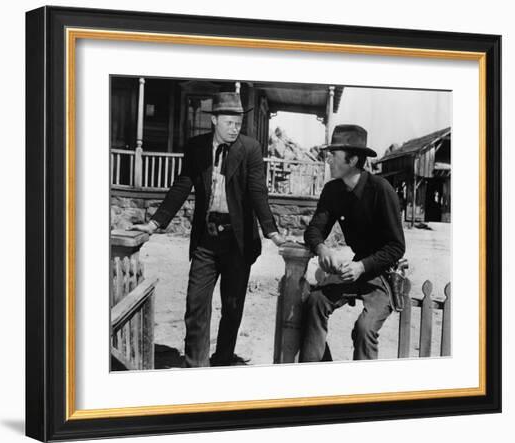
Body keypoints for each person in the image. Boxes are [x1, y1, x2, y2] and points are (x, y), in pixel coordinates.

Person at [130, 92, 285, 367]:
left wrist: (271, 231)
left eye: (238, 123)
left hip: (238, 242)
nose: (234, 128)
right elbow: (182, 186)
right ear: (214, 120)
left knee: (232, 307)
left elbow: (258, 192)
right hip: (206, 239)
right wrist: (155, 223)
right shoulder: (196, 147)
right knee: (196, 305)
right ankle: (196, 366)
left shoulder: (250, 149)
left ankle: (222, 362)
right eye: (228, 122)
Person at [301, 124, 405, 362]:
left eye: (333, 155)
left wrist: (362, 267)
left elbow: (396, 247)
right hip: (353, 270)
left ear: (353, 159)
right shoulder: (332, 190)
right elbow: (314, 230)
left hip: (382, 274)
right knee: (315, 302)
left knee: (364, 328)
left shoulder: (381, 190)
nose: (327, 160)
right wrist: (321, 248)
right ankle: (311, 376)